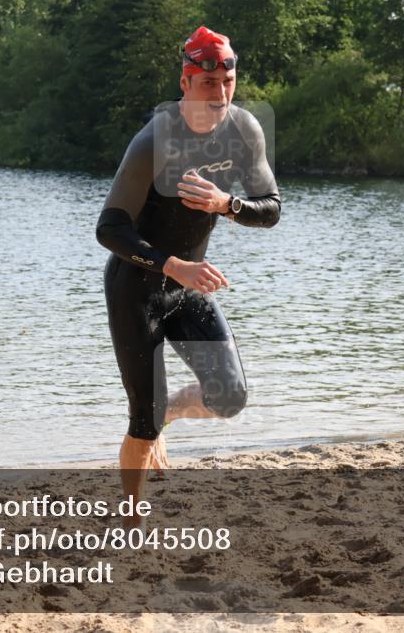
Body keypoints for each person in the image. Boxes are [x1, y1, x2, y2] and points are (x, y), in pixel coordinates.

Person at [96, 26, 280, 524]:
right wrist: (171, 264)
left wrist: (228, 204)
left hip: (188, 287)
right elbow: (109, 230)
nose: (220, 94)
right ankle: (132, 513)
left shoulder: (244, 130)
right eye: (207, 83)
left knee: (230, 397)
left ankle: (170, 415)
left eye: (228, 82)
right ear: (186, 81)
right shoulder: (155, 140)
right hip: (136, 288)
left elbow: (271, 208)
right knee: (143, 418)